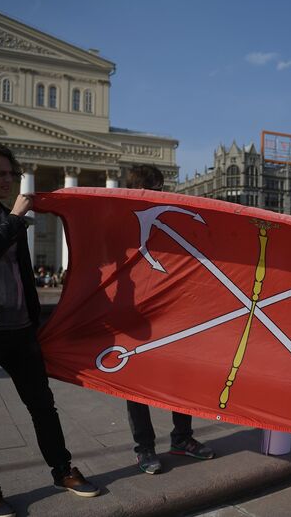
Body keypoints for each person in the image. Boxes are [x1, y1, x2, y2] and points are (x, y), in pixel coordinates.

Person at [0, 140, 98, 517]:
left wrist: (36, 318)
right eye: (0, 173)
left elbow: (22, 273)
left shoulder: (7, 216)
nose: (9, 180)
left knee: (43, 406)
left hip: (20, 328)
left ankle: (63, 470)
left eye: (11, 173)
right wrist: (16, 217)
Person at [125, 164, 215, 474]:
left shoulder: (170, 220)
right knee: (135, 387)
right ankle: (145, 448)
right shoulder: (123, 221)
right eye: (157, 187)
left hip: (172, 313)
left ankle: (182, 439)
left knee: (180, 378)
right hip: (136, 316)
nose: (162, 192)